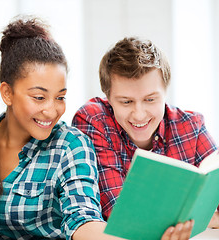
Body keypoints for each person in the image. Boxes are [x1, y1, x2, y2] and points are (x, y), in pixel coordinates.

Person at [0, 16, 194, 240]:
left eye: (60, 97)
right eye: (39, 97)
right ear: (7, 93)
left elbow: (84, 219)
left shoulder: (71, 145)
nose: (51, 110)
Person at [72, 37, 219, 228]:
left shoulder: (191, 125)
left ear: (165, 92)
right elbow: (120, 213)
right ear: (107, 97)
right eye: (126, 102)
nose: (139, 115)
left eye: (150, 100)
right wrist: (204, 219)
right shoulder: (94, 119)